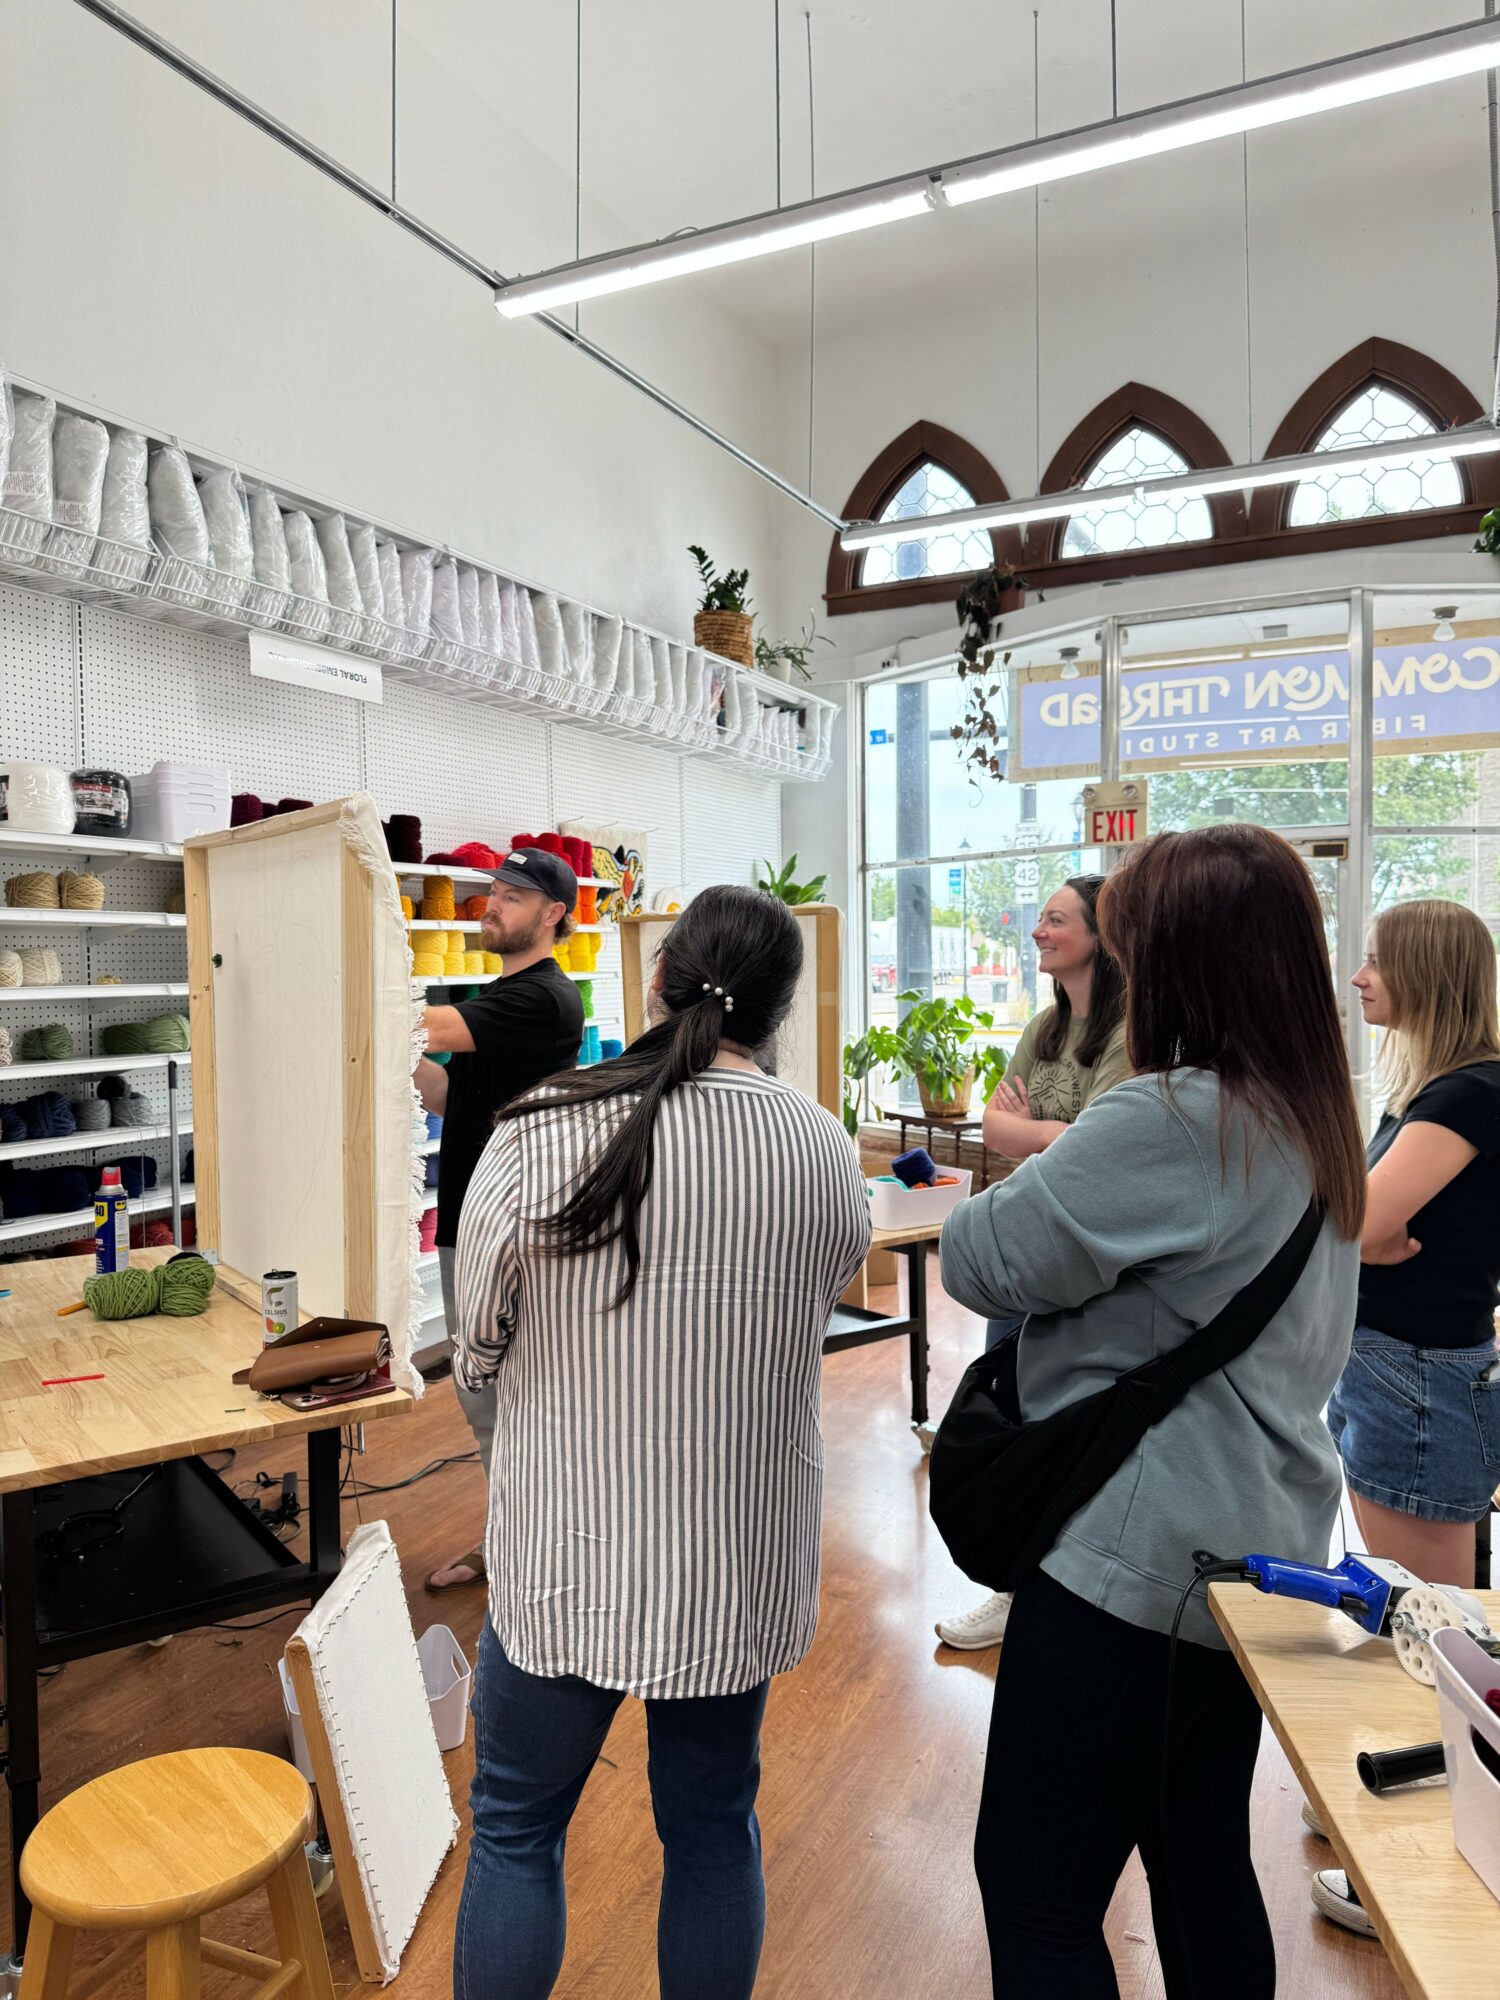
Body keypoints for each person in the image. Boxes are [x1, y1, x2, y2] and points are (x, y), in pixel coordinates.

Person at [940, 824, 1364, 1998]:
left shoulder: (1175, 1115)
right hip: (1256, 1551)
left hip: (1132, 1559)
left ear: (1180, 959)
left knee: (1036, 1889)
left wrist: (1036, 1147)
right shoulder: (1318, 1113)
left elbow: (977, 1256)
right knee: (1199, 1859)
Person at [451, 885, 872, 2000]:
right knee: (714, 1827)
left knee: (515, 1827)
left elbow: (476, 1349)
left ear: (655, 980)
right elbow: (822, 1296)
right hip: (730, 1559)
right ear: (782, 1006)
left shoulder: (540, 1126)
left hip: (567, 1550)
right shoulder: (821, 1146)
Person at [1313, 899, 1500, 1937]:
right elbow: (1356, 1216)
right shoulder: (1437, 1091)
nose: (1359, 977)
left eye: (1378, 961)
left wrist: (1359, 1224)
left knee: (1433, 1638)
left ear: (1427, 973)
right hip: (1395, 1370)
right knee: (1416, 1619)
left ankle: (1426, 1875)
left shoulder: (1468, 1094)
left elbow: (1357, 1215)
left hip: (1418, 1380)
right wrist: (1358, 1224)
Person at [935, 874, 1130, 1653]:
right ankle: (1012, 1587)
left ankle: (1048, 1591)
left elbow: (1103, 1151)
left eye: (1055, 920)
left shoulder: (1129, 1033)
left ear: (1100, 938)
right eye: (1040, 919)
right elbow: (993, 1126)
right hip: (1025, 1246)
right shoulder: (1046, 1030)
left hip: (1082, 1257)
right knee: (1011, 1411)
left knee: (1065, 1428)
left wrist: (1030, 1134)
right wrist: (1050, 1135)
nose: (1039, 931)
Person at [416, 847, 584, 1593]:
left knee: (501, 1396)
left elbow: (429, 1029)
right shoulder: (500, 1000)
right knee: (487, 1394)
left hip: (509, 1229)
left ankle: (531, 1550)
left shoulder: (545, 997)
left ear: (553, 914)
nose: (492, 904)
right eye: (494, 891)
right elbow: (450, 1099)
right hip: (471, 1222)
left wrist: (356, 979)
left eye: (513, 896)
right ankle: (518, 1540)